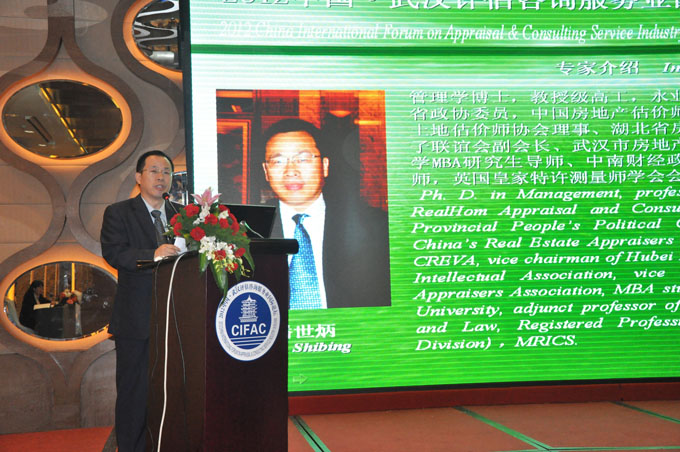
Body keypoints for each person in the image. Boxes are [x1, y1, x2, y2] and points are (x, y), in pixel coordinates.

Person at [262, 118, 390, 309]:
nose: (291, 171)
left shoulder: (376, 228)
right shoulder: (246, 230)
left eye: (303, 159)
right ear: (266, 171)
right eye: (278, 161)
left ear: (325, 166)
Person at [100, 150, 181, 452]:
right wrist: (153, 254)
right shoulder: (119, 212)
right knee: (134, 392)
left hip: (177, 319)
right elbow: (114, 252)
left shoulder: (182, 216)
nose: (161, 177)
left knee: (174, 391)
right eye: (154, 171)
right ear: (139, 177)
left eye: (167, 172)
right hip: (136, 319)